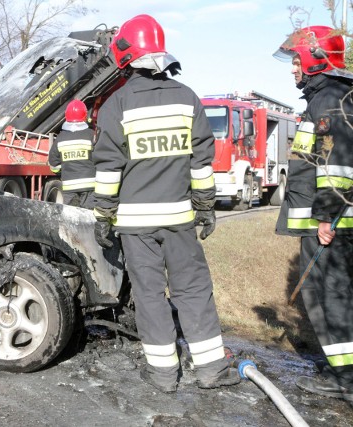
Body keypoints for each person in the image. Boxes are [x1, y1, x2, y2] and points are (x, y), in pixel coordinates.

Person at [91, 14, 240, 393]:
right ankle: (211, 371)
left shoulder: (116, 104)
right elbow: (201, 162)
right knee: (192, 291)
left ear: (125, 56)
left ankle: (162, 376)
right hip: (180, 220)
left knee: (150, 296)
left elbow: (109, 167)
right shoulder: (187, 97)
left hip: (135, 225)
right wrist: (205, 206)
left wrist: (103, 215)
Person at [273, 25, 353, 402]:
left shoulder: (329, 101)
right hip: (327, 221)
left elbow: (337, 165)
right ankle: (339, 369)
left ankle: (346, 378)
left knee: (330, 298)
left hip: (330, 224)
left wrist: (325, 217)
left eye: (295, 61)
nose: (292, 69)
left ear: (314, 58)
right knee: (328, 298)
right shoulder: (327, 98)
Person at [48, 99, 97, 208]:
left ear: (67, 116)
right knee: (89, 219)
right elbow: (100, 158)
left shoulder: (60, 138)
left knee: (72, 219)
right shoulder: (91, 135)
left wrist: (64, 170)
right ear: (85, 116)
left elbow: (53, 165)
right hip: (90, 187)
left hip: (69, 189)